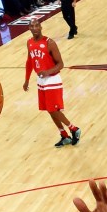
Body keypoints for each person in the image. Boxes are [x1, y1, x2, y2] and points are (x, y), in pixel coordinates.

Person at [23, 19, 82, 148]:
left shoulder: (50, 43)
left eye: (36, 25)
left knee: (53, 109)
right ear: (29, 28)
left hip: (52, 80)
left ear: (41, 27)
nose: (34, 28)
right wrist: (27, 79)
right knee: (50, 111)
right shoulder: (29, 43)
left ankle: (74, 129)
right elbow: (29, 62)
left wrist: (48, 72)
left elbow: (61, 64)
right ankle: (64, 135)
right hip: (41, 80)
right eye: (31, 26)